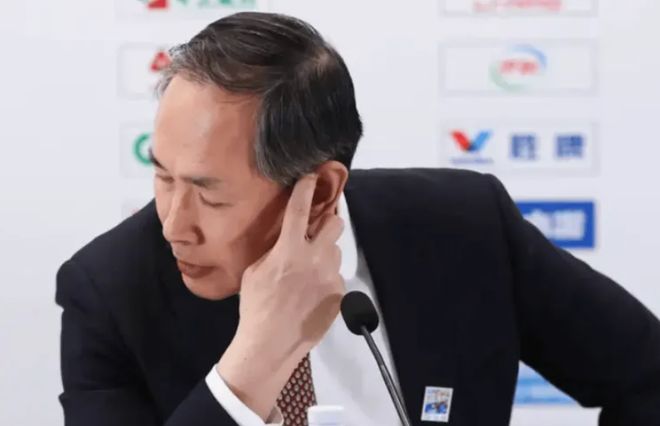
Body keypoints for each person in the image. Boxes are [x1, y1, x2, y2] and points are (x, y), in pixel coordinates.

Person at [56, 11, 660, 426]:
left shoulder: (464, 229)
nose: (173, 225)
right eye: (163, 177)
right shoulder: (109, 291)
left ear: (320, 192)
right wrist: (254, 360)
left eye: (209, 197)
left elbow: (648, 378)